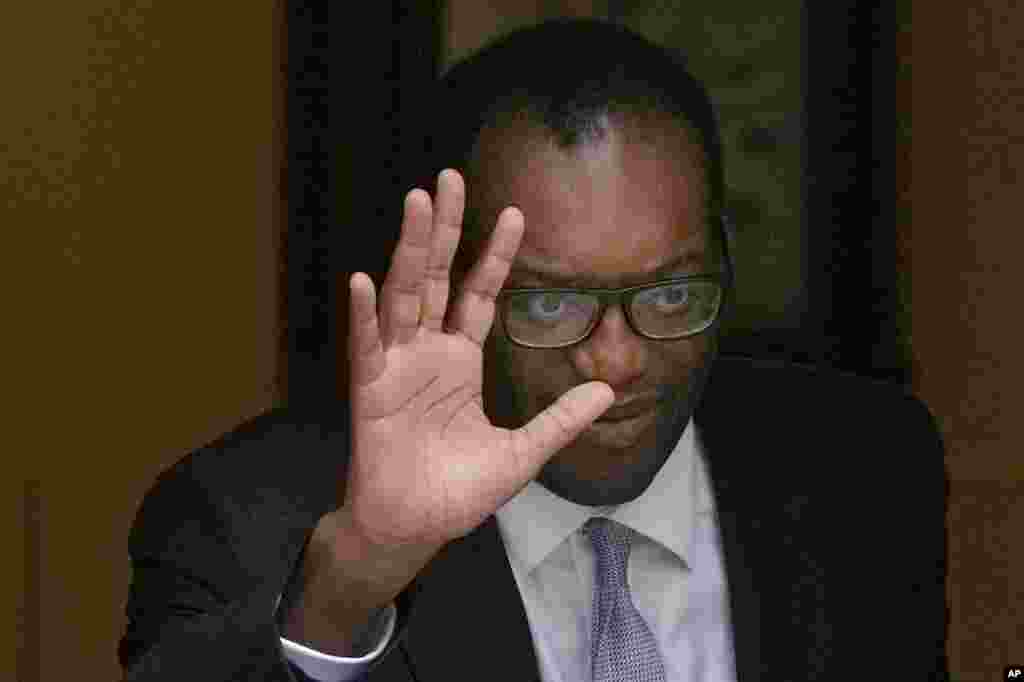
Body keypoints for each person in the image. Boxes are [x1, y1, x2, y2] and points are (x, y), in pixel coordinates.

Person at [118, 18, 949, 682]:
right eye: (550, 304)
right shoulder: (243, 520)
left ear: (726, 265)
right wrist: (348, 588)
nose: (617, 362)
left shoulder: (864, 467)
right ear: (454, 285)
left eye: (670, 295)